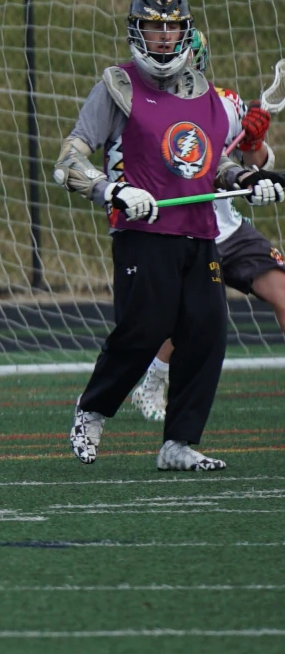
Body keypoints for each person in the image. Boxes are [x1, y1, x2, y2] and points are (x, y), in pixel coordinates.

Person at [52, 0, 281, 468]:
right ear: (138, 31)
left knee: (207, 333)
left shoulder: (210, 99)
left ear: (185, 31)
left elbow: (215, 168)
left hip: (199, 235)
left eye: (171, 26)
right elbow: (70, 157)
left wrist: (249, 180)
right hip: (143, 233)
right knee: (144, 329)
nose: (162, 35)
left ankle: (177, 443)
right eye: (153, 26)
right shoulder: (118, 85)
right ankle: (91, 409)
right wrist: (110, 190)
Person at [130, 80, 285, 420]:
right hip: (184, 228)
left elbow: (252, 162)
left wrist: (255, 140)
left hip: (228, 227)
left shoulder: (224, 103)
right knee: (192, 315)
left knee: (283, 293)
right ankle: (152, 381)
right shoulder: (149, 108)